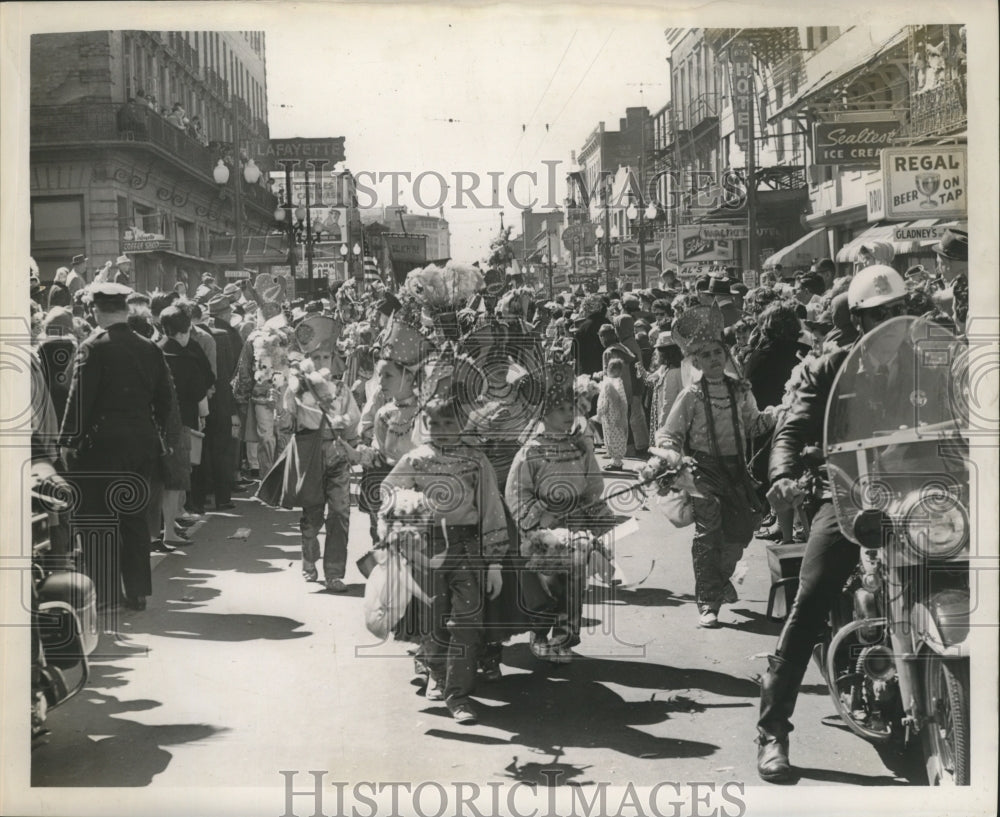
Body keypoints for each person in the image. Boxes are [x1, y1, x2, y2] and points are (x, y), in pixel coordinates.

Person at [755, 265, 910, 783]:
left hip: (915, 494)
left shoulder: (926, 361)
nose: (888, 321)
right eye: (877, 314)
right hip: (847, 495)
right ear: (858, 319)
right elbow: (791, 429)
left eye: (896, 311)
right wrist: (782, 472)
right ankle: (773, 730)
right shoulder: (829, 369)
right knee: (813, 593)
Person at [381, 395, 508, 724]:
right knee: (434, 621)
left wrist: (494, 563)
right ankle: (438, 673)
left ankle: (458, 695)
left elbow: (492, 509)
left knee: (467, 622)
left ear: (463, 423)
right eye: (434, 423)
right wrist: (403, 516)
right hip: (426, 550)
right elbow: (388, 491)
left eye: (449, 423)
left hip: (467, 549)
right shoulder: (416, 459)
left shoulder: (476, 460)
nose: (441, 430)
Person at [656, 305, 781, 628]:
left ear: (726, 356)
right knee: (708, 534)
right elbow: (670, 433)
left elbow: (754, 426)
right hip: (702, 473)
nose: (713, 359)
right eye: (706, 355)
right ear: (695, 362)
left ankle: (721, 580)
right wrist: (669, 455)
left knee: (741, 531)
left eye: (717, 352)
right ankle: (708, 602)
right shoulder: (691, 395)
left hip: (736, 471)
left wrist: (782, 411)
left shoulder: (740, 390)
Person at [58, 283, 177, 611]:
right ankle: (137, 592)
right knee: (134, 517)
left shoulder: (93, 347)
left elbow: (79, 401)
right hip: (141, 445)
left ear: (96, 311)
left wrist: (68, 442)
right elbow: (165, 399)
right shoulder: (149, 347)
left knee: (100, 520)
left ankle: (108, 595)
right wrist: (153, 433)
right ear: (125, 310)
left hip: (102, 447)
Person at [505, 360, 614, 663]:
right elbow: (516, 491)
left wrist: (592, 511)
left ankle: (564, 637)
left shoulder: (580, 448)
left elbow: (593, 484)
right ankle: (539, 633)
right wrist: (540, 513)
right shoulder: (531, 451)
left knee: (574, 581)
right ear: (544, 414)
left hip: (575, 525)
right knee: (547, 582)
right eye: (561, 410)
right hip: (542, 529)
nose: (568, 415)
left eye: (571, 409)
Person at [281, 315, 360, 592]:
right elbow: (288, 416)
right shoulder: (300, 389)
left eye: (326, 356)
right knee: (312, 515)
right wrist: (292, 387)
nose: (322, 361)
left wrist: (348, 432)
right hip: (310, 457)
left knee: (340, 514)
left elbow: (353, 418)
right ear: (307, 359)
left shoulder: (341, 389)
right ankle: (309, 560)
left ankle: (335, 573)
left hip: (337, 455)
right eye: (316, 356)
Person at [156, 305, 214, 550]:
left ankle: (169, 524)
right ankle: (170, 530)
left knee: (164, 479)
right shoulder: (187, 358)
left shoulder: (154, 352)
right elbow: (201, 396)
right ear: (182, 333)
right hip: (183, 422)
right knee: (178, 478)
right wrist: (205, 416)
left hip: (157, 423)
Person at [596, 358, 629, 469]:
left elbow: (606, 400)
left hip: (611, 415)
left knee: (612, 437)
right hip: (619, 415)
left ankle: (617, 462)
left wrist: (600, 412)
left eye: (609, 368)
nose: (607, 370)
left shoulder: (609, 384)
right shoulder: (619, 382)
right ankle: (615, 460)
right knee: (619, 436)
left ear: (614, 371)